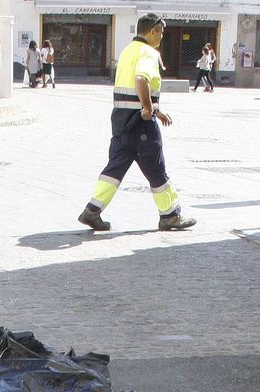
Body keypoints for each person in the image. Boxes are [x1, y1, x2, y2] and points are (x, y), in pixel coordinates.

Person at [77, 13, 196, 232]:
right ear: (152, 31)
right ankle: (170, 216)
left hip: (121, 120)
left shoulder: (127, 51)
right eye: (160, 32)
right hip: (141, 123)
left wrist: (156, 110)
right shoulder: (148, 52)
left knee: (115, 167)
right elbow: (141, 80)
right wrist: (150, 109)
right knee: (156, 168)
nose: (161, 37)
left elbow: (130, 89)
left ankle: (92, 211)